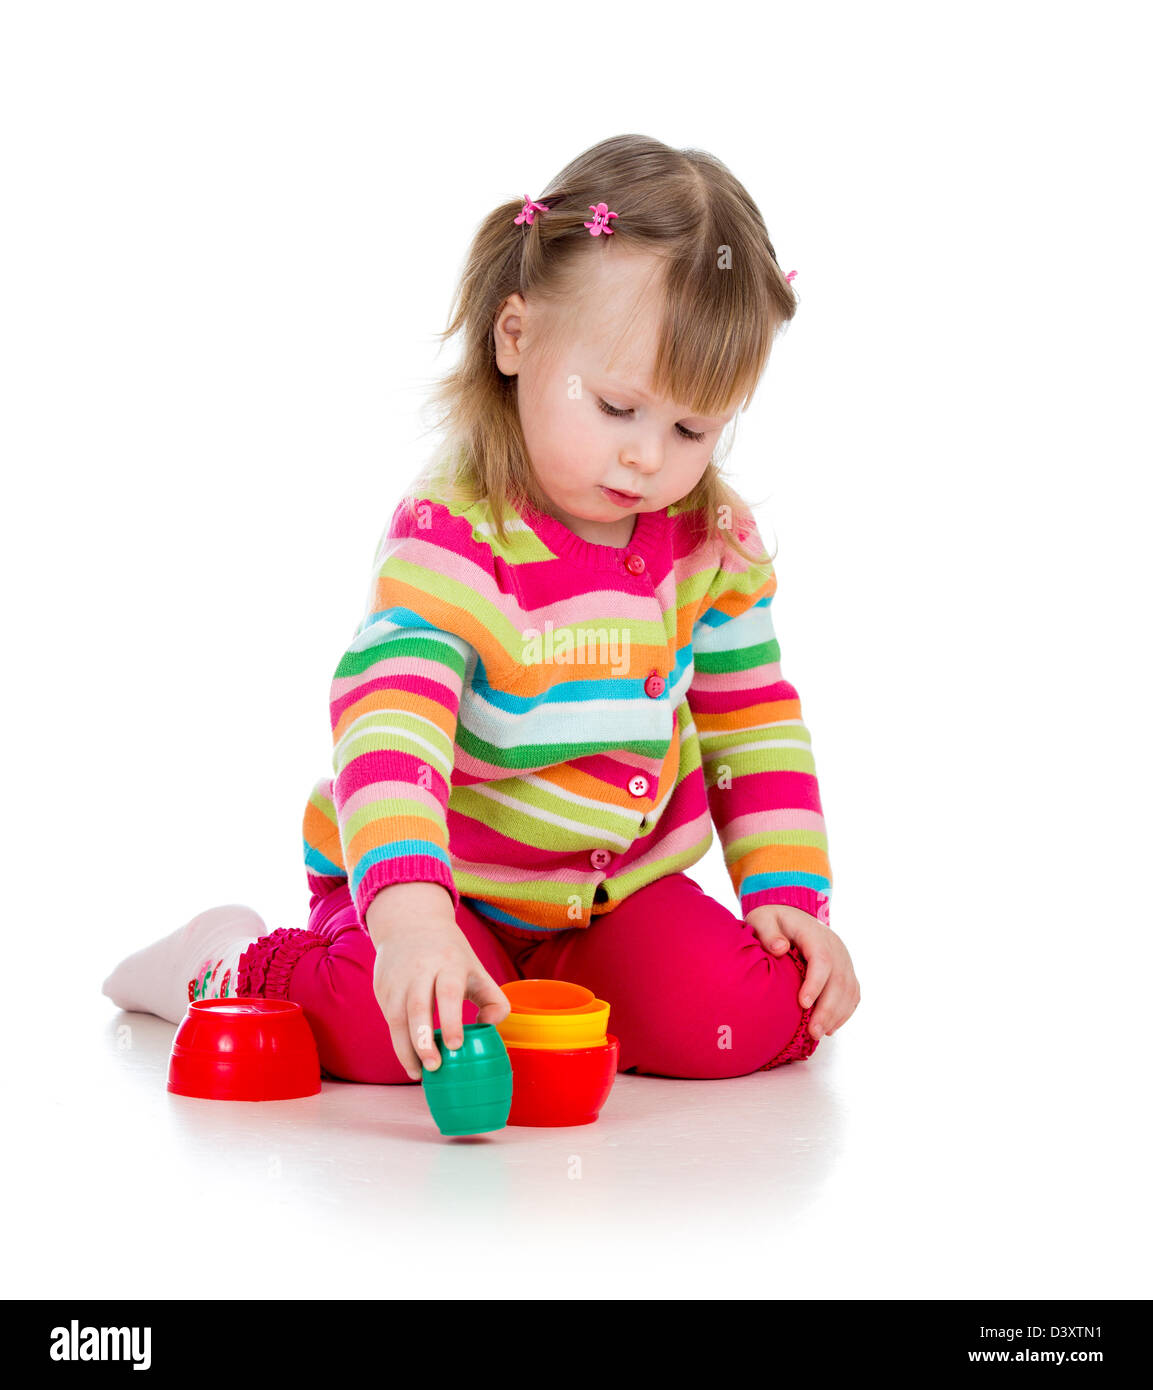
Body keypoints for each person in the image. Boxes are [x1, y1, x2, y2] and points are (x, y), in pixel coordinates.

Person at [103, 133, 860, 1085]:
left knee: (753, 1009)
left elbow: (750, 718)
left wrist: (788, 890)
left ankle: (566, 989)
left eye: (690, 428)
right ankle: (225, 964)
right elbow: (391, 720)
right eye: (617, 408)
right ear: (516, 337)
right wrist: (412, 916)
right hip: (434, 882)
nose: (645, 457)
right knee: (391, 1036)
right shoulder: (453, 535)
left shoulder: (712, 541)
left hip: (612, 898)